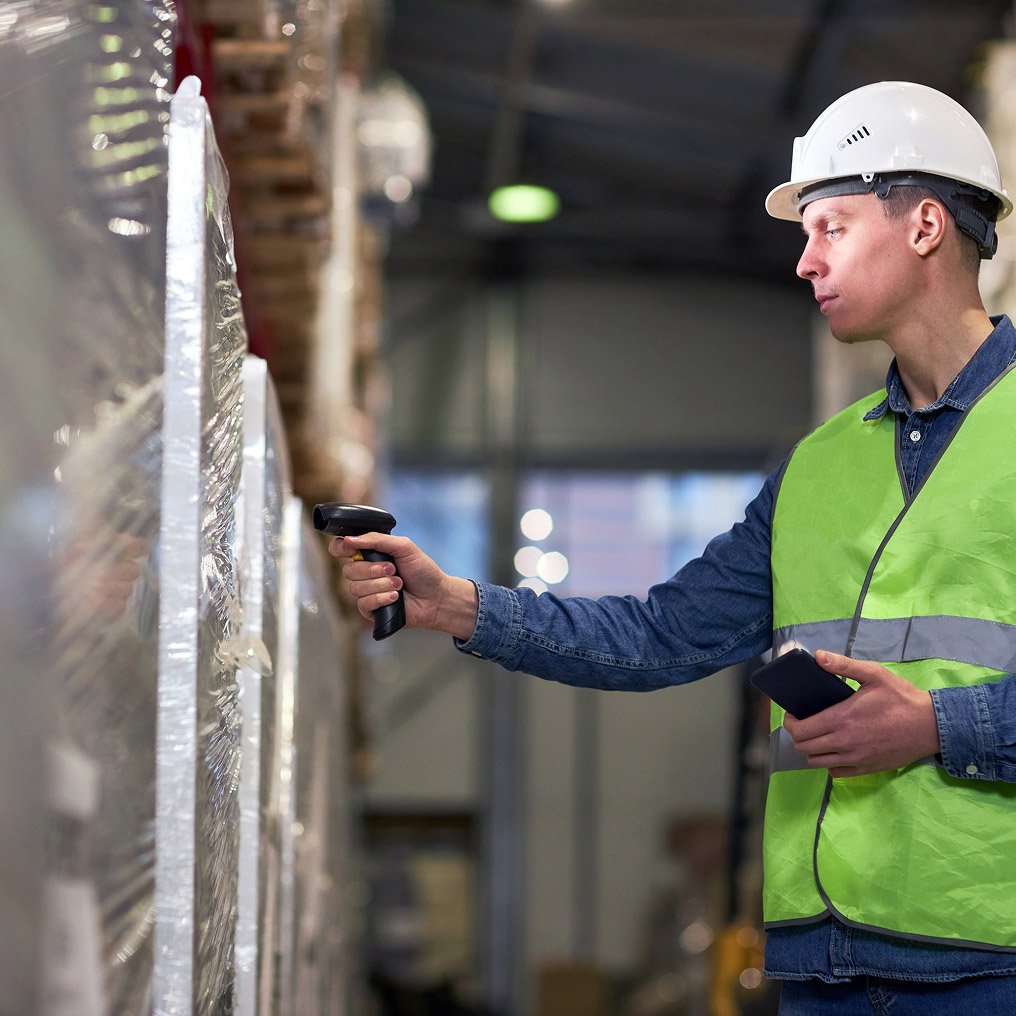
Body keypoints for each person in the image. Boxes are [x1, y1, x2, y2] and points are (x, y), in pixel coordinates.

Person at [331, 81, 1016, 1015]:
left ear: (927, 225)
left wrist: (936, 727)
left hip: (988, 964)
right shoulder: (819, 463)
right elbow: (665, 633)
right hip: (826, 968)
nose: (806, 262)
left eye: (833, 228)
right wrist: (456, 605)